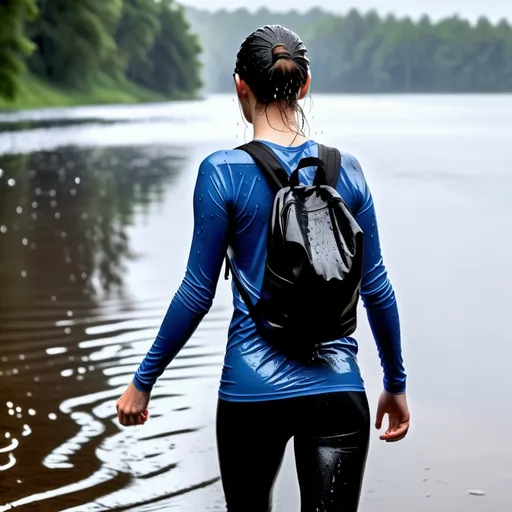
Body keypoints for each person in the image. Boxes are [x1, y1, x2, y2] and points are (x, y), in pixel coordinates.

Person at [116, 25, 410, 512]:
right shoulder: (349, 171)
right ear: (305, 84)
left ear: (240, 87)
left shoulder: (222, 172)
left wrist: (143, 382)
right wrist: (395, 385)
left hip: (250, 392)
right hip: (338, 389)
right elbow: (376, 288)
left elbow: (197, 292)